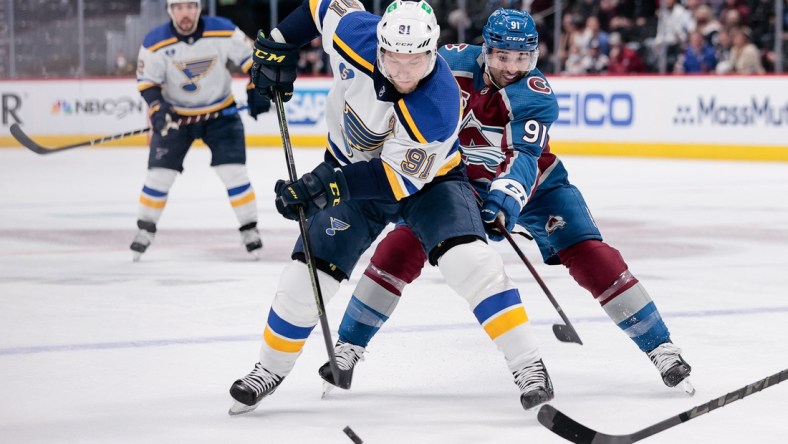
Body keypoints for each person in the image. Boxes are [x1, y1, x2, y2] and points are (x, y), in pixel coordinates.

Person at [319, 8, 694, 399]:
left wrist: (503, 201)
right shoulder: (447, 62)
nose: (512, 67)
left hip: (536, 187)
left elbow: (524, 158)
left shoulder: (535, 95)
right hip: (456, 184)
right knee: (398, 248)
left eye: (522, 58)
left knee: (589, 252)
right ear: (486, 50)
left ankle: (662, 348)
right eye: (502, 56)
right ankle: (348, 348)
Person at [228, 0, 554, 415]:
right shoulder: (355, 35)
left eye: (415, 61)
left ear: (432, 52)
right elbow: (319, 6)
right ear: (378, 47)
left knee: (471, 263)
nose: (402, 73)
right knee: (305, 278)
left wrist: (325, 186)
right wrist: (280, 42)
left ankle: (529, 366)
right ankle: (267, 369)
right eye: (393, 60)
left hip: (428, 183)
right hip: (348, 171)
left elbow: (395, 180)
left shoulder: (437, 105)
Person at [131, 0, 271, 261]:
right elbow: (148, 82)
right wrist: (157, 108)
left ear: (199, 8)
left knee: (234, 172)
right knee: (159, 175)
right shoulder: (155, 42)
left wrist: (256, 88)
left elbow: (254, 61)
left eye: (191, 6)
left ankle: (249, 228)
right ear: (170, 11)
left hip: (220, 114)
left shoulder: (223, 30)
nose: (186, 13)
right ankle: (145, 230)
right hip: (177, 117)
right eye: (179, 7)